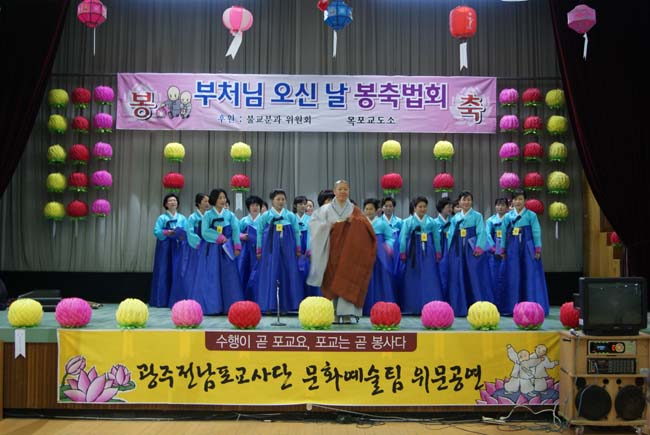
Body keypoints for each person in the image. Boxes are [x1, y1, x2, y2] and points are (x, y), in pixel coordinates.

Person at [307, 180, 376, 323]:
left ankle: (346, 314)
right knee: (331, 279)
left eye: (345, 189)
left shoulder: (355, 210)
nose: (343, 192)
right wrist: (328, 226)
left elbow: (367, 226)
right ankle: (332, 312)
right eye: (340, 189)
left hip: (349, 251)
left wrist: (355, 221)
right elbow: (314, 224)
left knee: (347, 279)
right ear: (335, 191)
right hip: (330, 249)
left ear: (349, 191)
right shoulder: (325, 209)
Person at [498, 189, 550, 315]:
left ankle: (532, 307)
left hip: (528, 248)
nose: (518, 202)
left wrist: (537, 248)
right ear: (512, 201)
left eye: (520, 199)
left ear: (525, 201)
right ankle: (512, 306)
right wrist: (502, 249)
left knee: (530, 274)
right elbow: (503, 233)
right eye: (515, 199)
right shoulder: (508, 217)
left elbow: (536, 232)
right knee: (513, 275)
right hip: (512, 249)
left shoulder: (531, 215)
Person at [255, 189, 305, 313]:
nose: (281, 201)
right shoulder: (265, 216)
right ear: (272, 200)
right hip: (270, 250)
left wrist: (298, 248)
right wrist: (259, 250)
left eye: (283, 199)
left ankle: (285, 305)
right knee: (270, 274)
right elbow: (259, 233)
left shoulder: (290, 216)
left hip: (288, 250)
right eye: (278, 199)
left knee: (287, 273)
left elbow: (297, 232)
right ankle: (269, 305)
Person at [447, 191, 494, 316]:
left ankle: (478, 306)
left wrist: (479, 247)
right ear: (459, 202)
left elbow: (481, 232)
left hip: (472, 250)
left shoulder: (477, 216)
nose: (466, 202)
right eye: (464, 200)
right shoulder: (455, 218)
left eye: (469, 200)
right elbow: (450, 234)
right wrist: (449, 250)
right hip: (458, 250)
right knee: (458, 276)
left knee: (474, 276)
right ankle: (460, 306)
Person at [200, 188, 244, 314]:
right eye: (220, 198)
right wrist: (218, 237)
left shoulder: (230, 215)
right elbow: (204, 232)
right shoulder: (208, 215)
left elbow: (236, 230)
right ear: (214, 199)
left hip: (227, 249)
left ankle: (231, 306)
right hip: (213, 249)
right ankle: (213, 306)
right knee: (213, 276)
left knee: (229, 276)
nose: (223, 200)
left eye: (224, 197)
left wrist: (237, 246)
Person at [397, 196, 443, 314]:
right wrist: (402, 252)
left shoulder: (431, 222)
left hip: (428, 250)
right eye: (420, 207)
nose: (422, 209)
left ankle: (430, 305)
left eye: (424, 207)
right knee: (412, 277)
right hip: (413, 250)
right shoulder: (408, 222)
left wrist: (438, 251)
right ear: (414, 208)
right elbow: (403, 237)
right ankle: (412, 306)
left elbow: (436, 238)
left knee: (429, 276)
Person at [150, 193, 187, 308]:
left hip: (177, 246)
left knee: (177, 271)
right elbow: (156, 231)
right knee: (163, 270)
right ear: (166, 204)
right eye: (170, 200)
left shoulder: (182, 218)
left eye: (174, 200)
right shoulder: (162, 218)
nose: (173, 202)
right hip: (165, 247)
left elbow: (186, 232)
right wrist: (167, 232)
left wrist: (180, 234)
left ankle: (176, 299)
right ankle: (161, 300)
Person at [362, 198, 396, 315]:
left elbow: (390, 237)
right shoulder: (361, 223)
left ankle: (382, 306)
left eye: (371, 209)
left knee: (380, 279)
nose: (369, 211)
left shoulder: (382, 224)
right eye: (366, 209)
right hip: (364, 255)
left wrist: (388, 246)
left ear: (377, 210)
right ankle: (365, 307)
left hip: (379, 255)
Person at [183, 193, 211, 306]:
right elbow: (190, 233)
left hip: (209, 247)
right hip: (196, 248)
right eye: (205, 201)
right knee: (195, 271)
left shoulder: (210, 216)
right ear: (199, 203)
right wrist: (200, 243)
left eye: (208, 201)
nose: (207, 203)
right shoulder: (193, 217)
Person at [486, 197, 509, 313]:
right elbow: (487, 235)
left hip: (508, 250)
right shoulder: (490, 220)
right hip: (493, 253)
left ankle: (507, 304)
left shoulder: (510, 219)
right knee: (494, 277)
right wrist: (494, 248)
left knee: (507, 277)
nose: (500, 207)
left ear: (507, 207)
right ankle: (494, 304)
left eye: (503, 205)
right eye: (498, 205)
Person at [238, 195, 263, 300]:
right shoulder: (244, 220)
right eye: (252, 205)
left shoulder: (263, 220)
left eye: (257, 205)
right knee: (244, 271)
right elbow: (236, 233)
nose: (255, 207)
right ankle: (243, 297)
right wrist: (242, 236)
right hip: (245, 250)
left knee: (257, 273)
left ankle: (257, 297)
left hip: (258, 250)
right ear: (249, 207)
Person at [293, 195, 317, 296]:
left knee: (307, 273)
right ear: (295, 205)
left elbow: (312, 236)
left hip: (307, 250)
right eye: (300, 204)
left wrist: (309, 251)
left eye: (304, 204)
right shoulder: (291, 218)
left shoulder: (311, 219)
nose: (303, 206)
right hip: (294, 250)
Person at [435, 197, 453, 298]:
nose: (450, 209)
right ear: (441, 208)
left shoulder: (453, 221)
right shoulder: (434, 222)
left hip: (452, 249)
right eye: (448, 207)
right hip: (440, 250)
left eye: (451, 207)